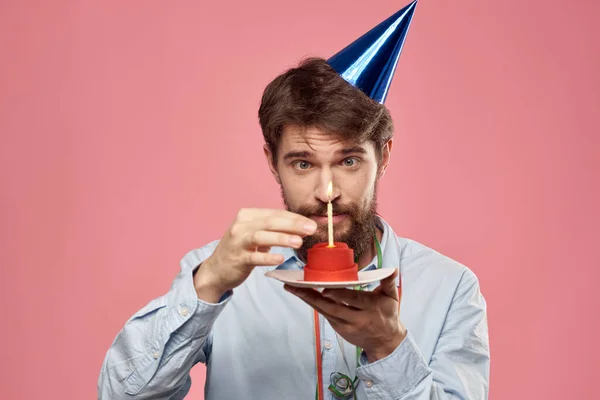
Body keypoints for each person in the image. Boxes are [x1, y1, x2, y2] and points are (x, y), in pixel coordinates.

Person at [98, 3, 489, 399]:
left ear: (383, 157)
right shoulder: (219, 275)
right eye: (303, 163)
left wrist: (388, 346)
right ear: (273, 162)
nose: (327, 191)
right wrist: (209, 284)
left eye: (349, 161)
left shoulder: (450, 287)